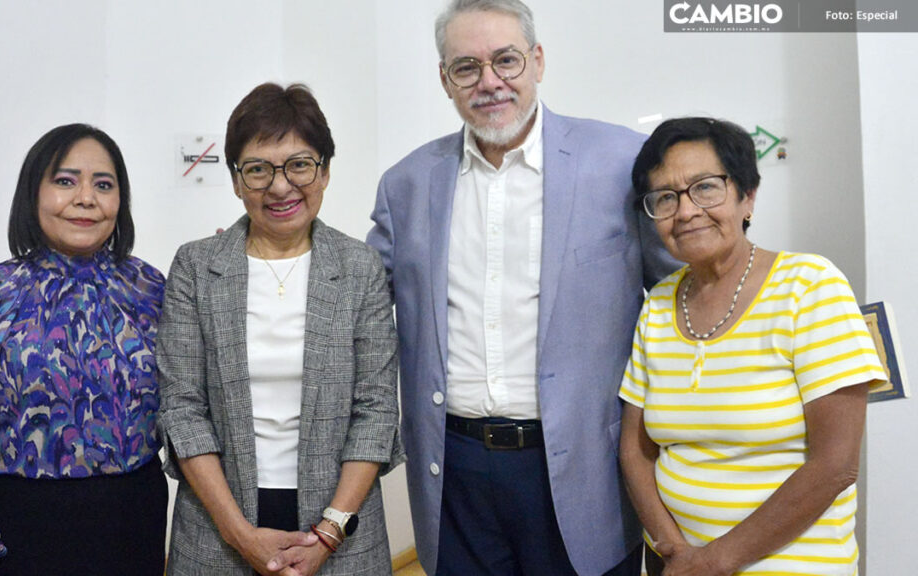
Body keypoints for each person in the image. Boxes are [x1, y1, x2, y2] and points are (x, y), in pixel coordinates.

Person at [366, 0, 677, 574]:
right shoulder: (406, 184)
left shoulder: (619, 162)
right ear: (445, 80)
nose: (490, 82)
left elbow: (678, 295)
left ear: (537, 61)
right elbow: (359, 304)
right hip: (453, 471)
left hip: (585, 468)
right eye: (466, 67)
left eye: (505, 60)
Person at [618, 117, 887, 576]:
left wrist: (714, 563)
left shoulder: (810, 287)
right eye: (665, 197)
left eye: (705, 188)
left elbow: (836, 464)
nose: (685, 212)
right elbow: (635, 450)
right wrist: (674, 551)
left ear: (747, 196)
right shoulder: (660, 303)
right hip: (678, 562)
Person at [156, 82, 404, 576]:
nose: (280, 186)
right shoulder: (196, 267)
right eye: (258, 169)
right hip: (217, 531)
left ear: (326, 170)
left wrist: (329, 532)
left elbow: (376, 409)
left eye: (299, 164)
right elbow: (182, 410)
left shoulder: (360, 268)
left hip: (342, 529)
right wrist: (241, 535)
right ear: (235, 179)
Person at [0, 124, 168, 575]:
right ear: (33, 193)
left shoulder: (149, 290)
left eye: (103, 185)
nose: (86, 197)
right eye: (65, 181)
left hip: (135, 527)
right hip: (25, 533)